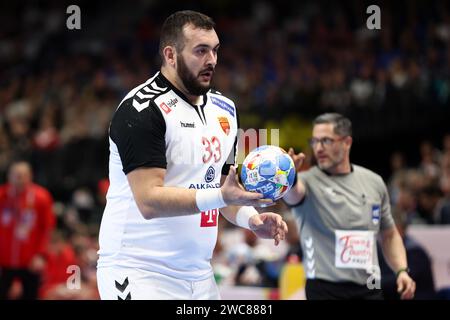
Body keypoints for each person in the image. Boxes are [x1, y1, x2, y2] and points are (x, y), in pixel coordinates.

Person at [96, 10, 288, 300]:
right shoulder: (141, 110)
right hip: (138, 272)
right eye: (200, 51)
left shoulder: (225, 109)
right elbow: (149, 201)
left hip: (199, 277)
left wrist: (252, 219)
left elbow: (225, 192)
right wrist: (223, 196)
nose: (211, 60)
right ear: (171, 55)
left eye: (215, 50)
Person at [284, 113, 416, 300]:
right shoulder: (307, 181)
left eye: (326, 141)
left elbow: (389, 234)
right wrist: (289, 177)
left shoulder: (374, 182)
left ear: (347, 142)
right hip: (324, 290)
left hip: (370, 287)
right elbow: (293, 193)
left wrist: (401, 270)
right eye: (314, 141)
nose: (318, 148)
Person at [0, 161, 55, 299]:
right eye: (16, 175)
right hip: (3, 262)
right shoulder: (2, 196)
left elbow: (47, 229)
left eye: (23, 175)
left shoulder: (41, 197)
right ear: (9, 176)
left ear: (30, 176)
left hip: (30, 262)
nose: (19, 179)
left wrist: (41, 255)